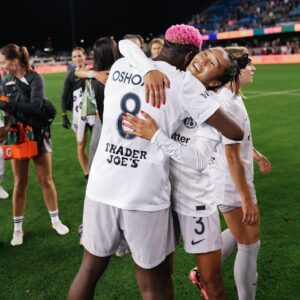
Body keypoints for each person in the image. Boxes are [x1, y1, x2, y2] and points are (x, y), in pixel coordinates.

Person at [68, 24, 243, 300]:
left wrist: (147, 67)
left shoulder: (123, 64)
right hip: (145, 193)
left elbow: (126, 44)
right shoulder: (185, 85)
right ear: (188, 58)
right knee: (153, 284)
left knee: (88, 270)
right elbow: (235, 131)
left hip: (101, 186)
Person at [191, 46, 271, 300]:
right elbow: (231, 155)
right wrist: (247, 198)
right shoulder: (228, 103)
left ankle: (202, 273)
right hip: (230, 183)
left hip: (224, 181)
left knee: (240, 235)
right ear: (235, 70)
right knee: (250, 244)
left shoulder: (228, 99)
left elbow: (232, 141)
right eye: (248, 64)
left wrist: (254, 153)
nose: (253, 68)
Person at [0, 44, 69, 246]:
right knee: (20, 182)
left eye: (3, 61)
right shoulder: (6, 82)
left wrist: (10, 105)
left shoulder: (34, 77)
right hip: (18, 136)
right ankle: (17, 229)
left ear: (14, 61)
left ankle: (55, 221)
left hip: (39, 134)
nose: (2, 65)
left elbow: (36, 105)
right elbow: (8, 114)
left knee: (45, 180)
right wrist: (4, 128)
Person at [74, 37, 121, 244]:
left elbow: (78, 72)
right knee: (120, 184)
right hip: (121, 131)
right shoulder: (123, 73)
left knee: (97, 183)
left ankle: (91, 229)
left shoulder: (95, 78)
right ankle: (121, 240)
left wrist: (93, 73)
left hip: (101, 132)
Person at [61, 47, 95, 182]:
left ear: (85, 56)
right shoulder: (70, 75)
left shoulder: (93, 71)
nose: (77, 59)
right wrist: (64, 114)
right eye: (74, 57)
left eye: (79, 56)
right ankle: (87, 173)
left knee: (97, 144)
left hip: (94, 113)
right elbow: (64, 96)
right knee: (81, 145)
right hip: (78, 114)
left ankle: (99, 171)